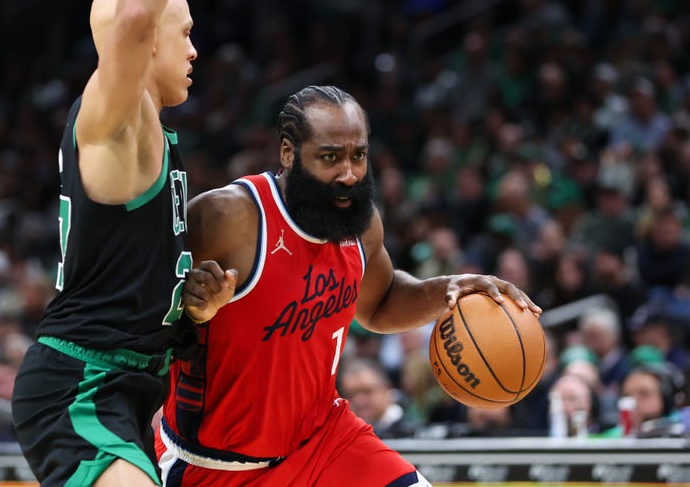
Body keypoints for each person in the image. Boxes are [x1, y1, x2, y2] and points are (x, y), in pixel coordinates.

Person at [156, 85, 541, 486]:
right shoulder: (226, 217)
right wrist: (194, 311)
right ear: (288, 153)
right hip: (217, 464)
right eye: (330, 157)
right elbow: (139, 317)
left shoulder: (360, 223)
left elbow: (380, 302)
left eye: (358, 155)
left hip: (325, 440)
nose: (349, 174)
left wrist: (448, 288)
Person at [11, 0, 234, 486]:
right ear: (149, 39)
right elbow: (134, 14)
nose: (194, 49)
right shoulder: (118, 121)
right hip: (81, 382)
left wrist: (194, 309)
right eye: (185, 33)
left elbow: (127, 281)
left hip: (127, 386)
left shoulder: (147, 136)